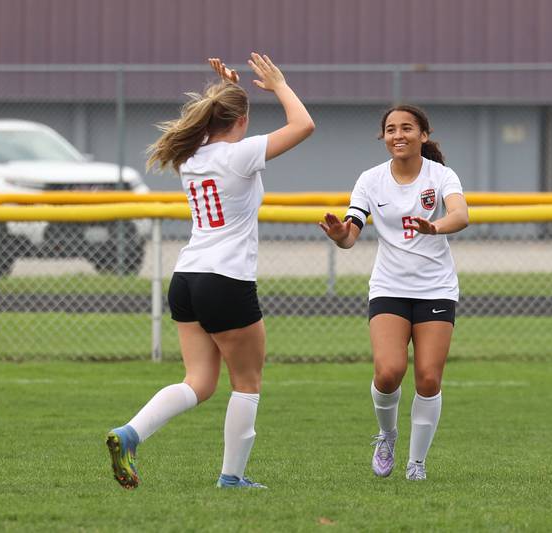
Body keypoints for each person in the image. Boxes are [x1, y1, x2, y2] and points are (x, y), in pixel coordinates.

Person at [105, 53, 315, 490]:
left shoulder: (192, 156)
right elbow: (303, 125)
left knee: (199, 383)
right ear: (241, 120)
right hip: (226, 280)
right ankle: (231, 477)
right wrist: (277, 83)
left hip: (187, 279)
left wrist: (227, 91)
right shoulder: (238, 155)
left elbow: (215, 122)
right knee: (248, 382)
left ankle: (130, 434)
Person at [320, 105, 469, 481]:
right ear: (383, 137)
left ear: (423, 134)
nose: (398, 135)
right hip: (389, 286)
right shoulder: (370, 180)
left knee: (428, 379)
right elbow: (351, 234)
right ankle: (386, 435)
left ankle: (416, 463)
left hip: (435, 287)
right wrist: (340, 236)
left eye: (406, 128)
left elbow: (460, 215)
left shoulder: (442, 176)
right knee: (388, 372)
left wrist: (433, 229)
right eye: (390, 129)